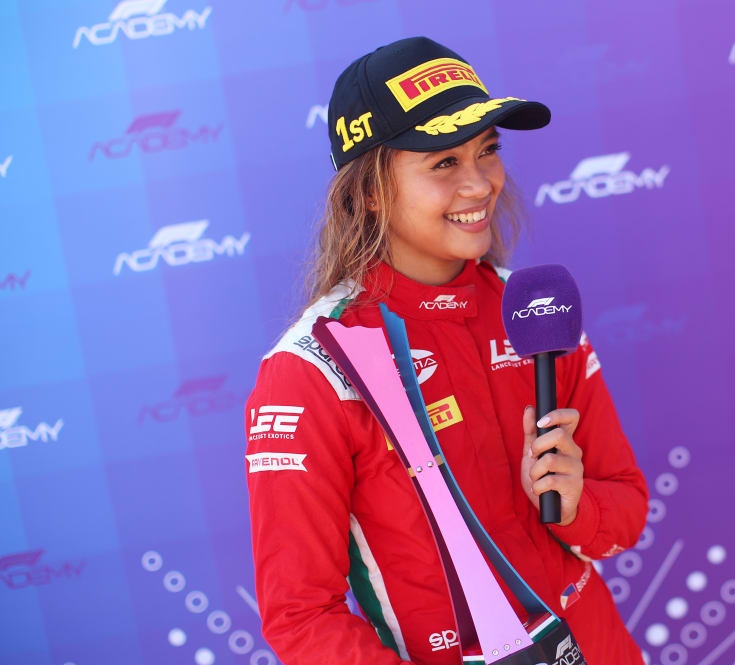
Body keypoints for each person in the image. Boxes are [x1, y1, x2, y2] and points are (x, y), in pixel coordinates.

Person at [244, 36, 648, 665]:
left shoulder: (536, 312)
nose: (480, 184)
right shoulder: (314, 369)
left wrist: (576, 505)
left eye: (488, 151)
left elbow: (624, 511)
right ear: (370, 191)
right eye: (443, 163)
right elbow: (300, 620)